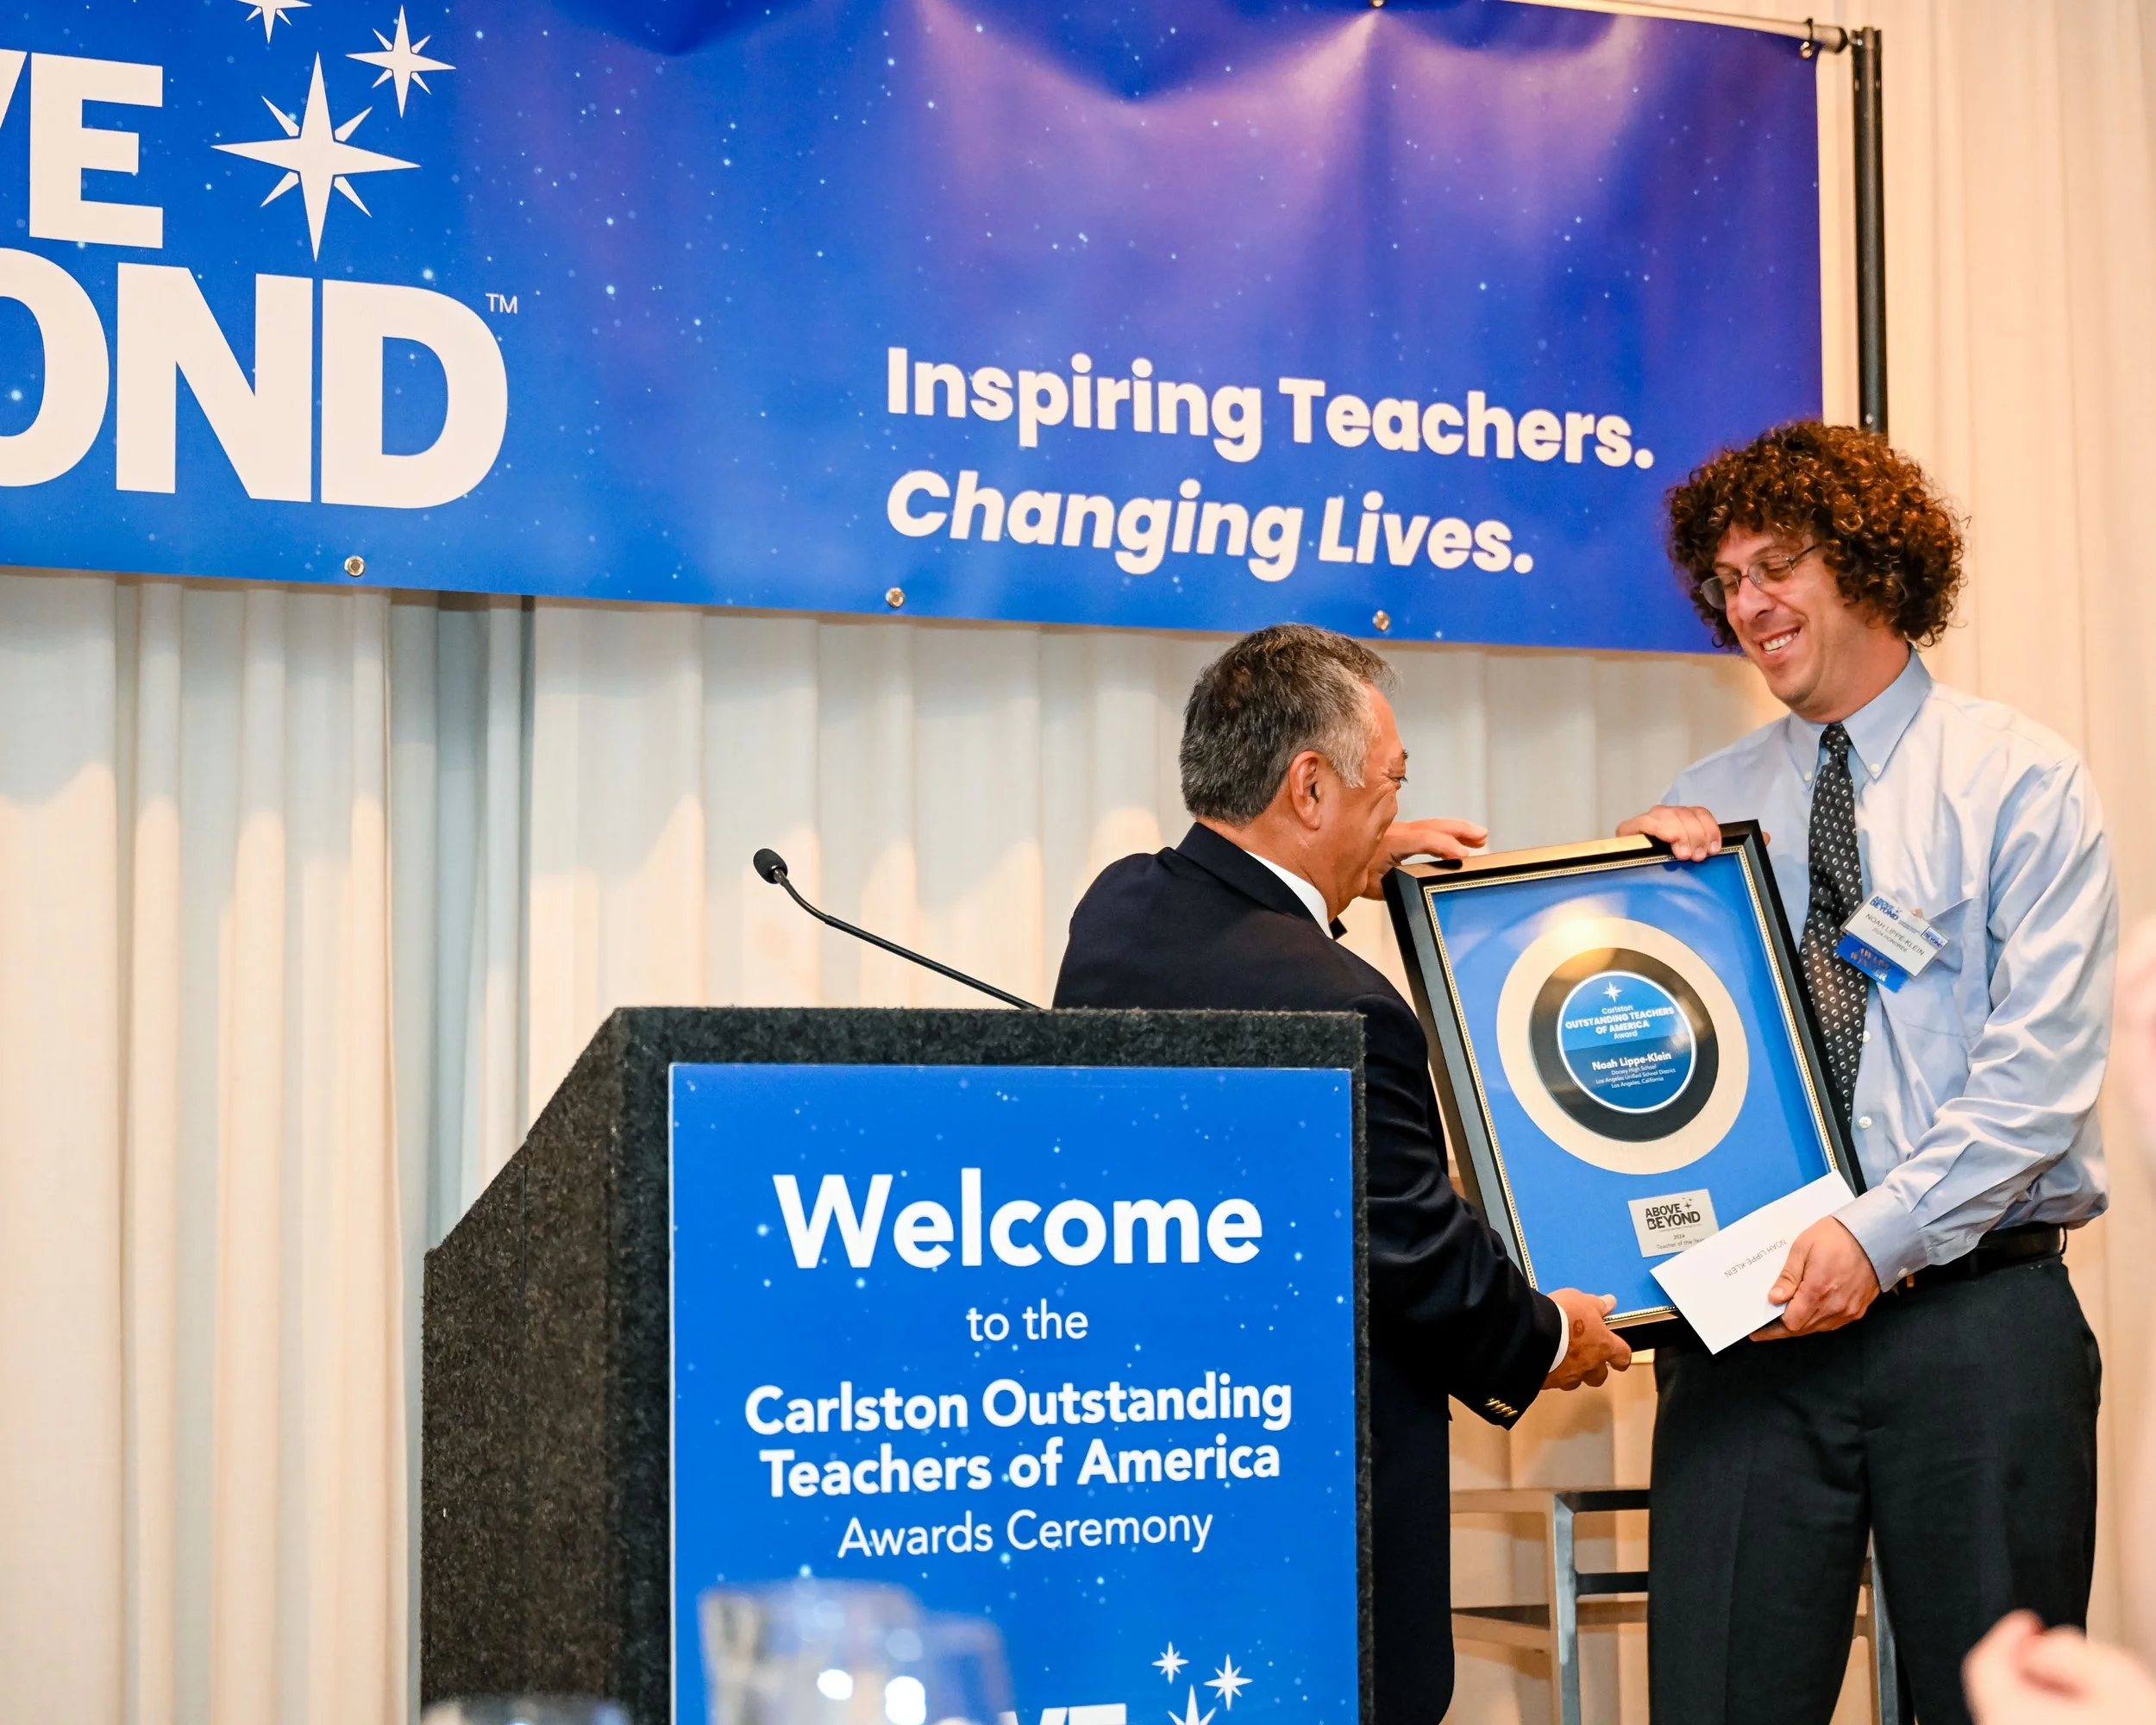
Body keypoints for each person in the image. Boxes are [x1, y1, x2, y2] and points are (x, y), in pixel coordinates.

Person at [1620, 423, 2118, 1725]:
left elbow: (2040, 1076)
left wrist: (1875, 1236)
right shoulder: (1702, 811)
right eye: (1724, 580)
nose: (1748, 605)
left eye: (1776, 565)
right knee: (1720, 1697)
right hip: (1754, 1333)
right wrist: (1625, 918)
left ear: (1874, 569)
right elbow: (1659, 1073)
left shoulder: (2021, 779)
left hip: (1976, 1320)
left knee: (1993, 1705)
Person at [1054, 623, 1633, 1723]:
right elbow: (1412, 1250)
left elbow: (1238, 910)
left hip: (1163, 1485)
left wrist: (1346, 858)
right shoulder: (1340, 1003)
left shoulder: (1122, 908)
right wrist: (1547, 1336)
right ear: (1307, 784)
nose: (1394, 802)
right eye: (1389, 782)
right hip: (1320, 1527)